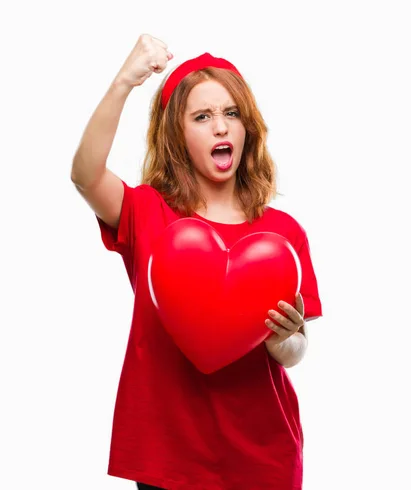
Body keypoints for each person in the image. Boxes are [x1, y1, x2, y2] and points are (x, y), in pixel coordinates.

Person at [70, 34, 323, 490]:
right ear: (178, 134)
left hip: (263, 459)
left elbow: (297, 351)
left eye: (232, 113)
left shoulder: (283, 234)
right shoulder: (148, 213)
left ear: (248, 127)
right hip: (168, 459)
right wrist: (126, 81)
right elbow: (85, 176)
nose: (221, 127)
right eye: (202, 117)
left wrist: (284, 342)